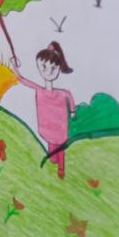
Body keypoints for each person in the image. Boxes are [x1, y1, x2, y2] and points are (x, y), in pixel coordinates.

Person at [14, 41, 76, 179]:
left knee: (60, 147)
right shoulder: (39, 90)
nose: (48, 71)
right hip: (47, 127)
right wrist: (15, 67)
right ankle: (56, 163)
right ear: (38, 66)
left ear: (58, 69)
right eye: (44, 66)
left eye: (53, 68)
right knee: (52, 157)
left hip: (60, 126)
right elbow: (22, 80)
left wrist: (72, 111)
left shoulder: (62, 94)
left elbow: (69, 97)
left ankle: (62, 169)